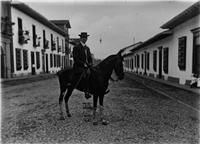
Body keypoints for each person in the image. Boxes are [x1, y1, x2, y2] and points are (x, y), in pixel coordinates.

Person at [73, 32, 93, 99]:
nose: (85, 39)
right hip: (78, 66)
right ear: (80, 38)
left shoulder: (87, 48)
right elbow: (76, 58)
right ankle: (86, 92)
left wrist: (90, 63)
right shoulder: (76, 47)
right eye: (83, 38)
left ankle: (92, 89)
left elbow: (90, 58)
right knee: (84, 75)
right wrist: (83, 64)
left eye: (86, 38)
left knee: (93, 73)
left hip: (87, 66)